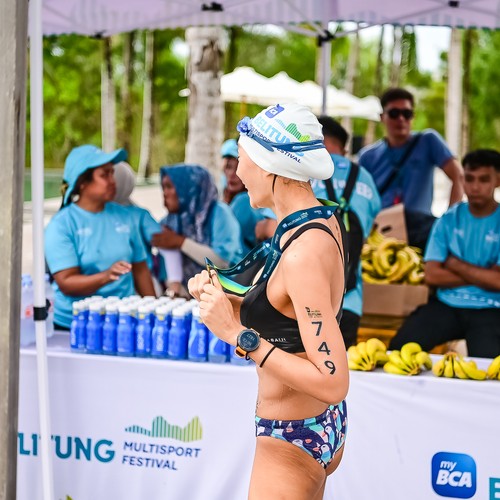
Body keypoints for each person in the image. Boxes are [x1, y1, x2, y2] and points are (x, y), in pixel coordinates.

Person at [188, 103, 349, 499]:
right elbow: (289, 314)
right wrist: (225, 297)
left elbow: (333, 381)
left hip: (292, 435)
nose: (238, 173)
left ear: (269, 166)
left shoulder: (302, 253)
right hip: (313, 423)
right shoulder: (317, 220)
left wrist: (237, 334)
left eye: (242, 158)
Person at [389, 149, 500, 358]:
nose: (475, 187)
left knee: (489, 369)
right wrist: (484, 274)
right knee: (399, 350)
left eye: (484, 179)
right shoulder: (447, 220)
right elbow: (432, 275)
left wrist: (456, 265)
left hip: (492, 308)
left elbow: (498, 282)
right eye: (469, 179)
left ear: (497, 181)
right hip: (447, 304)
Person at [45, 145, 156, 330]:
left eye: (112, 173)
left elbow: (140, 270)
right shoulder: (62, 224)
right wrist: (106, 276)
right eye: (104, 175)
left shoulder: (125, 216)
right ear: (82, 182)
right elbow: (66, 282)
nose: (113, 181)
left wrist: (153, 313)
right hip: (73, 324)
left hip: (123, 321)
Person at [358, 87, 464, 249]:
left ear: (412, 117)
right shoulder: (368, 156)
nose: (401, 119)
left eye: (407, 114)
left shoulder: (428, 141)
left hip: (421, 230)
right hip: (380, 232)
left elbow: (459, 176)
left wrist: (449, 221)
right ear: (382, 117)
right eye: (394, 113)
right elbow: (359, 197)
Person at [315, 116, 381, 348]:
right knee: (341, 364)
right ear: (343, 148)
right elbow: (371, 225)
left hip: (305, 299)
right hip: (350, 300)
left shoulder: (303, 175)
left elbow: (273, 228)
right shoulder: (365, 177)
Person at [151, 164, 242, 295]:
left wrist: (180, 242)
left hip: (227, 294)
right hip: (190, 296)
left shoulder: (219, 213)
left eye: (169, 187)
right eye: (163, 187)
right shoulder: (172, 219)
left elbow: (222, 261)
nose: (164, 193)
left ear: (188, 188)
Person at [113, 161, 165, 292]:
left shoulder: (101, 215)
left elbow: (162, 239)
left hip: (137, 280)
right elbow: (162, 239)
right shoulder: (139, 214)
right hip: (140, 281)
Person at [221, 138, 266, 253]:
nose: (232, 174)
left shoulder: (243, 201)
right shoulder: (230, 202)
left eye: (238, 167)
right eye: (228, 167)